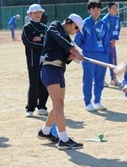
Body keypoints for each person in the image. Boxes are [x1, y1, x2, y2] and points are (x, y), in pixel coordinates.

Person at [37, 13, 84, 150]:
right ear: (71, 24)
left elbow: (65, 57)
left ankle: (45, 131)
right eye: (76, 29)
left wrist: (73, 55)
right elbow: (61, 40)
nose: (75, 32)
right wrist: (75, 50)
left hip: (58, 70)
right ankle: (64, 139)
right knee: (58, 104)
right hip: (49, 68)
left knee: (59, 105)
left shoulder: (67, 38)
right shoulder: (55, 26)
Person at [74, 0, 110, 112]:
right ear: (89, 10)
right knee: (88, 79)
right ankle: (88, 102)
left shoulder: (104, 24)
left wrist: (106, 55)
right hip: (88, 55)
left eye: (98, 9)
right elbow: (77, 40)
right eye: (93, 9)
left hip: (102, 55)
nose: (96, 11)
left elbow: (106, 41)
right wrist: (87, 47)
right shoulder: (84, 24)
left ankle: (97, 101)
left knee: (100, 79)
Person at [22, 4, 49, 117]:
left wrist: (40, 40)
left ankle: (42, 106)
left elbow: (49, 42)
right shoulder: (27, 27)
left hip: (46, 60)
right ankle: (30, 108)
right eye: (35, 13)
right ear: (30, 14)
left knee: (45, 83)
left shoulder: (45, 27)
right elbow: (27, 42)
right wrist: (41, 44)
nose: (38, 15)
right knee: (34, 84)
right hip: (33, 60)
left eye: (39, 12)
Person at [102, 2, 122, 87]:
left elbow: (118, 29)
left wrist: (115, 39)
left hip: (113, 44)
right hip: (105, 44)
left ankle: (113, 79)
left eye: (116, 8)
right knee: (103, 62)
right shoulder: (105, 19)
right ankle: (101, 79)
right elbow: (103, 32)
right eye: (113, 8)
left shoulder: (117, 19)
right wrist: (108, 40)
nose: (115, 10)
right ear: (108, 9)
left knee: (113, 61)